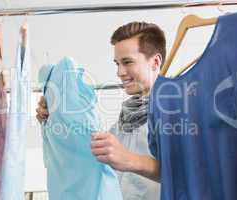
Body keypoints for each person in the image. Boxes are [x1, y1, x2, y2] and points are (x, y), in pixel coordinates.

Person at [36, 21, 166, 199]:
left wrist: (129, 159)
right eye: (117, 63)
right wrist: (55, 118)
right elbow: (93, 160)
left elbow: (192, 175)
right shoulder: (125, 119)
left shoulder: (179, 113)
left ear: (155, 62)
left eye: (127, 62)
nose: (119, 72)